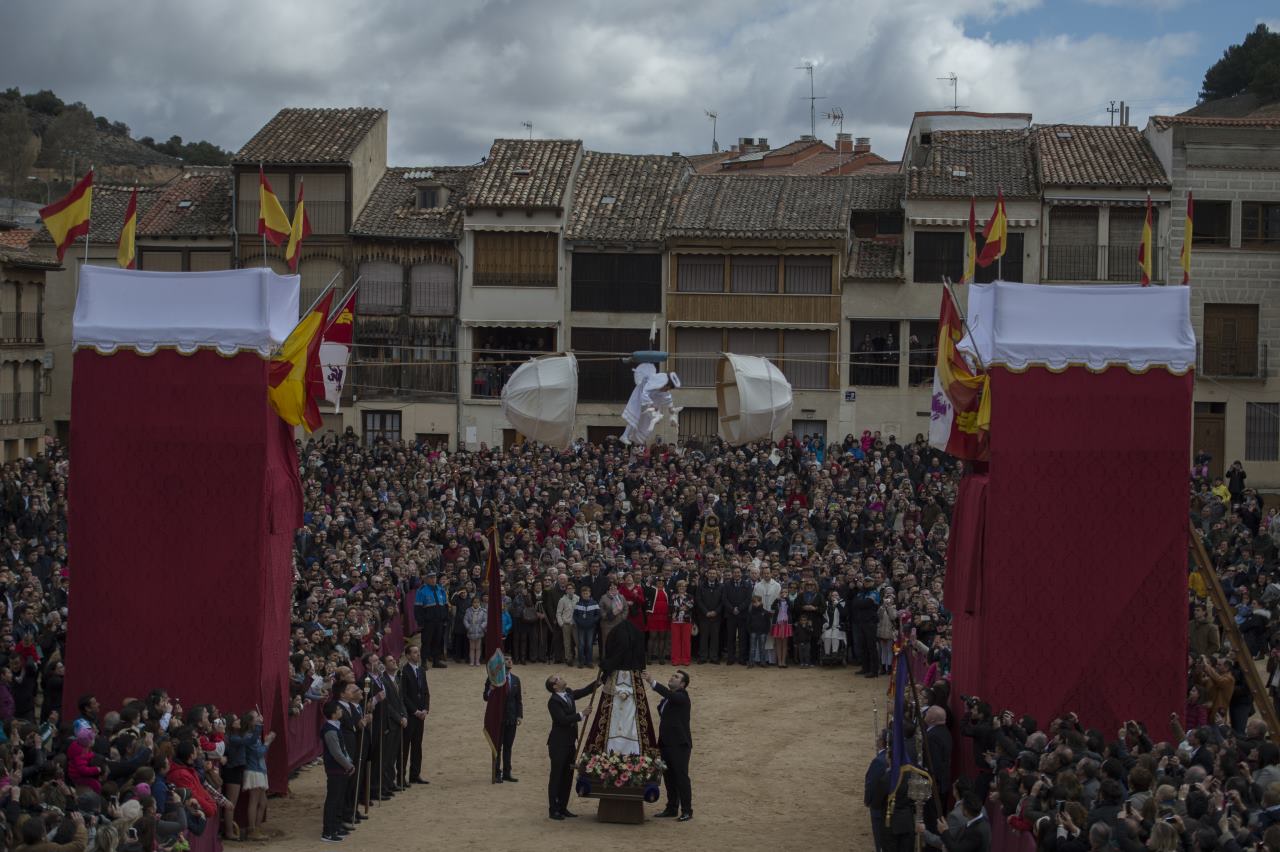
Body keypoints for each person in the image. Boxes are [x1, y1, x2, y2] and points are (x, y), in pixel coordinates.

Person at [545, 672, 602, 820]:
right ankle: (554, 809)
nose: (562, 678)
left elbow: (584, 691)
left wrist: (599, 681)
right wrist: (581, 715)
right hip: (558, 744)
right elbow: (562, 720)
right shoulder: (553, 702)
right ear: (555, 686)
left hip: (570, 742)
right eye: (558, 679)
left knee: (568, 775)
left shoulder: (568, 693)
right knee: (556, 776)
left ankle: (563, 807)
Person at [642, 668, 693, 821]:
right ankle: (671, 808)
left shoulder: (682, 696)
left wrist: (652, 682)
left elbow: (670, 695)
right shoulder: (668, 700)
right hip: (666, 743)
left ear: (683, 684)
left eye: (676, 677)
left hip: (679, 744)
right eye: (672, 675)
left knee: (681, 777)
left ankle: (687, 810)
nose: (672, 678)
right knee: (669, 777)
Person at [321, 700, 354, 843]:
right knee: (333, 801)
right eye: (339, 709)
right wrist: (349, 765)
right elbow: (336, 753)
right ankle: (328, 832)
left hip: (340, 768)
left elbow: (342, 750)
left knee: (339, 799)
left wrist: (348, 763)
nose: (341, 711)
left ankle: (336, 827)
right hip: (335, 769)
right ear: (334, 714)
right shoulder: (330, 730)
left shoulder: (334, 727)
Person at [485, 660, 523, 783]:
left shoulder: (516, 679)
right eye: (506, 660)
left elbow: (518, 700)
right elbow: (486, 696)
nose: (510, 662)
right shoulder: (493, 678)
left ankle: (507, 772)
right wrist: (490, 689)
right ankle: (496, 772)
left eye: (511, 660)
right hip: (498, 718)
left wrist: (519, 715)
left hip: (511, 718)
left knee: (508, 746)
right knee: (497, 747)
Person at [400, 644, 430, 785]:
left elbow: (425, 692)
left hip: (421, 715)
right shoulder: (404, 672)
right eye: (414, 652)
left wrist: (425, 709)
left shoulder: (421, 670)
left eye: (418, 652)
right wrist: (415, 711)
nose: (418, 655)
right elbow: (404, 696)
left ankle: (415, 774)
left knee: (417, 745)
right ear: (407, 655)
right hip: (410, 714)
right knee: (405, 746)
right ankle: (401, 776)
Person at [415, 572, 450, 668]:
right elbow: (418, 608)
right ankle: (424, 662)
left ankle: (436, 661)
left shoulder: (440, 589)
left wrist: (446, 618)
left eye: (434, 577)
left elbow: (445, 604)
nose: (433, 579)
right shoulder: (421, 590)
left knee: (437, 641)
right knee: (426, 642)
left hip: (439, 621)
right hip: (428, 622)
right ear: (426, 579)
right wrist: (420, 622)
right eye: (430, 577)